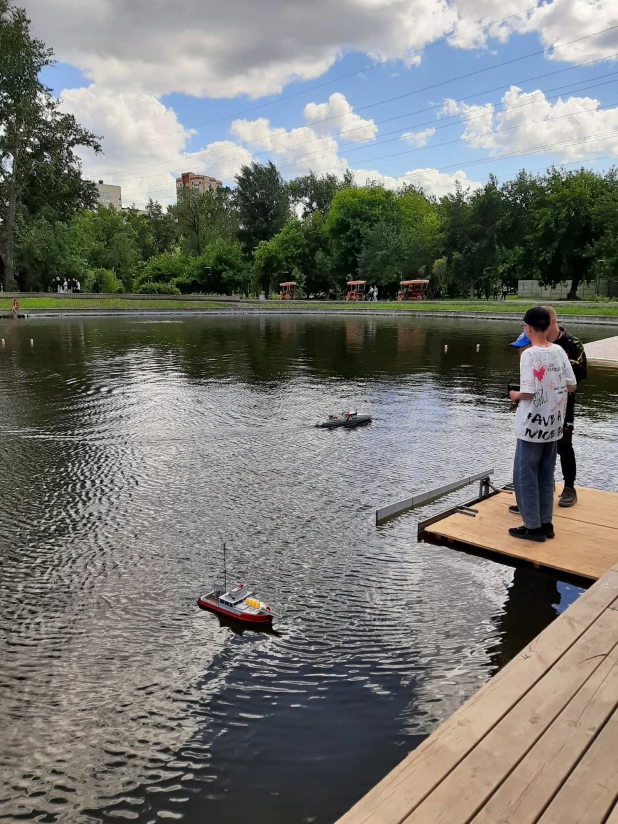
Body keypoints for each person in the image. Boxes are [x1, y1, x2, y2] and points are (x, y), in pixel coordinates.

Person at [508, 307, 577, 542]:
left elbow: (527, 392)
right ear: (548, 326)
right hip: (554, 425)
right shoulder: (559, 350)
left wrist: (515, 395)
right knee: (547, 474)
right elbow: (572, 385)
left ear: (527, 328)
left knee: (525, 474)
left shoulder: (529, 354)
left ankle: (532, 527)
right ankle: (546, 523)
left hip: (531, 426)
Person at [542, 306, 587, 507]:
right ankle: (545, 484)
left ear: (552, 322)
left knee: (564, 445)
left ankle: (569, 488)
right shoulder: (537, 341)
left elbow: (579, 375)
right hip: (540, 403)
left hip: (563, 404)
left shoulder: (573, 344)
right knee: (540, 445)